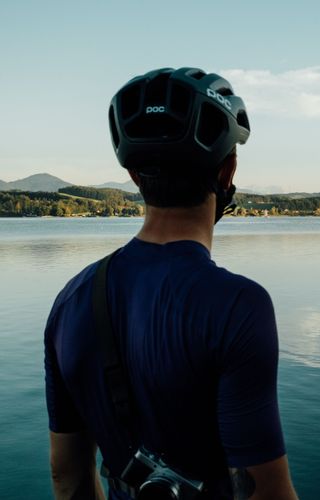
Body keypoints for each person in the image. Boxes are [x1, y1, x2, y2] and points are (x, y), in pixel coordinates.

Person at [44, 67, 297, 499]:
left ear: (135, 176)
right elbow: (265, 494)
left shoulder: (70, 301)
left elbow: (67, 477)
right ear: (228, 171)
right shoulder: (238, 306)